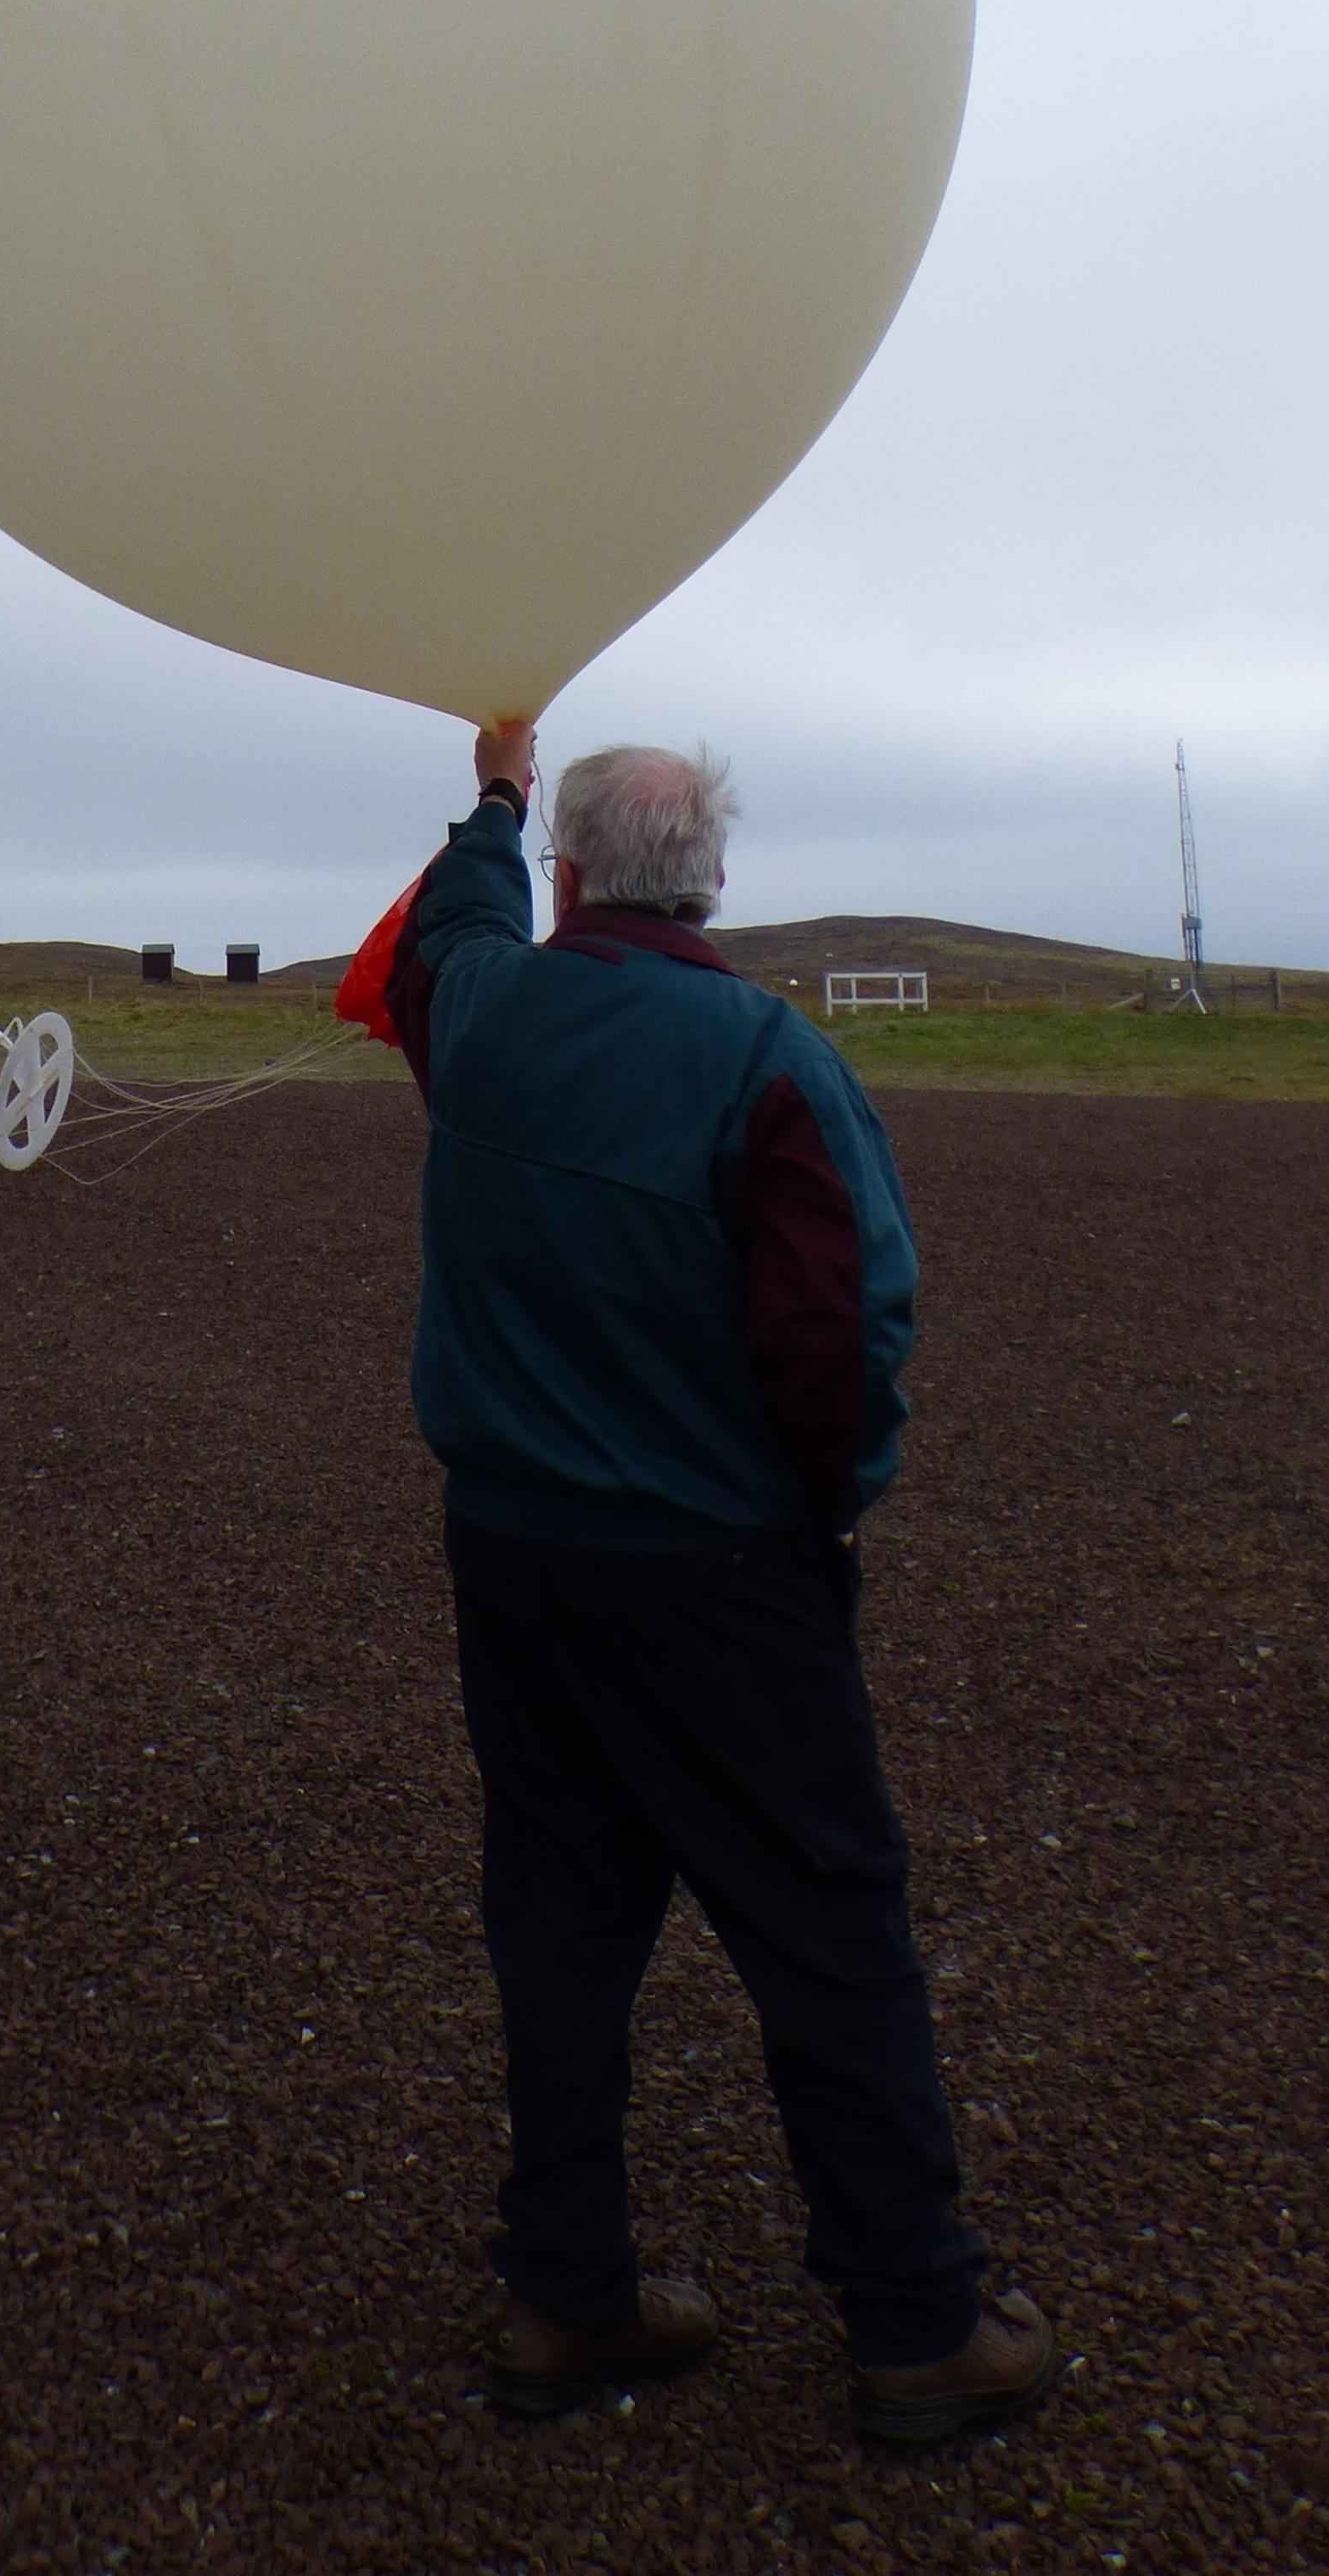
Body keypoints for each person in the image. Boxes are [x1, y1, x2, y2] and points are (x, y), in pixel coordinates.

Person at [384, 725, 1059, 2444]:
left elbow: (448, 933)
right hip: (716, 1576)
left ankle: (564, 2294)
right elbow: (835, 1328)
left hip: (513, 1567)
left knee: (558, 1923)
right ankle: (913, 2326)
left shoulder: (477, 1015)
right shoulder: (767, 1059)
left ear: (571, 875)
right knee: (825, 1930)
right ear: (713, 879)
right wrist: (821, 1512)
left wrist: (488, 795)